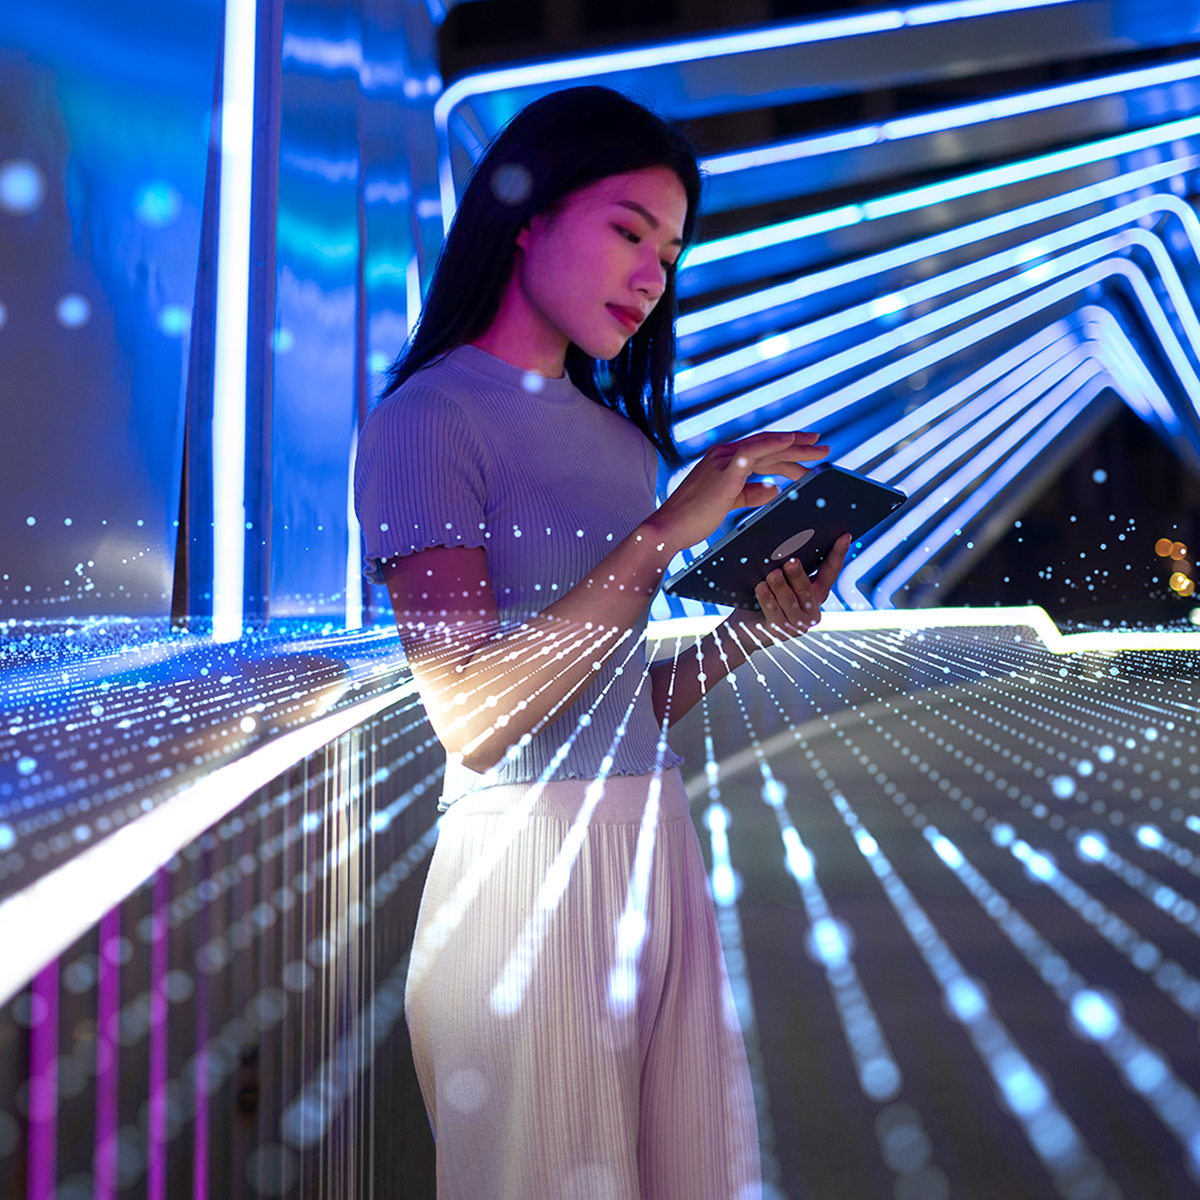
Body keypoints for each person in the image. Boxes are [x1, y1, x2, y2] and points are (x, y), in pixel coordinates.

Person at [354, 86, 849, 1200]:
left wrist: (742, 636)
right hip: (521, 867)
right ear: (525, 214)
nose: (652, 275)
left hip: (656, 844)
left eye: (670, 252)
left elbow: (610, 699)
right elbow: (475, 717)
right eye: (629, 230)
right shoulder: (426, 422)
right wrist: (667, 532)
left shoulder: (626, 446)